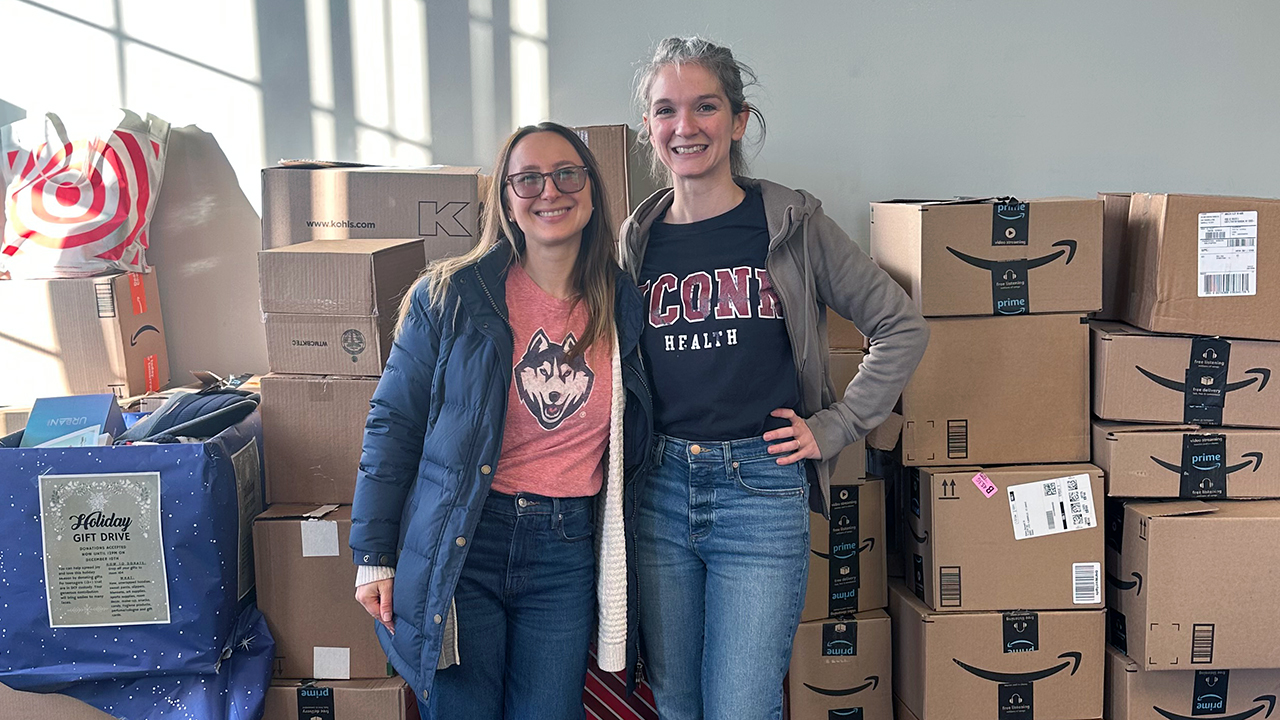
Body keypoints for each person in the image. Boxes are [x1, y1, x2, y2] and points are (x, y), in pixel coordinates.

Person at [620, 37, 930, 720]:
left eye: (706, 106)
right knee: (675, 703)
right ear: (649, 127)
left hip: (759, 491)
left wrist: (838, 426)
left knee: (743, 705)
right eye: (666, 110)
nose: (685, 126)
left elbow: (901, 327)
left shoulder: (793, 223)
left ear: (737, 119)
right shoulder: (635, 240)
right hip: (660, 493)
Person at [350, 121, 652, 719]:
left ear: (592, 191)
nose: (550, 192)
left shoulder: (624, 302)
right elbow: (393, 425)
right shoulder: (451, 296)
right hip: (466, 542)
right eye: (528, 179)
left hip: (566, 551)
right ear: (506, 200)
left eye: (568, 174)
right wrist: (374, 554)